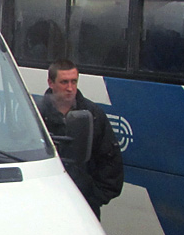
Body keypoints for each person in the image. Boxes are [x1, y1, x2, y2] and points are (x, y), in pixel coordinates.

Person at [38, 59, 123, 219]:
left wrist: (94, 197)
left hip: (84, 206)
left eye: (73, 82)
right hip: (47, 205)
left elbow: (111, 160)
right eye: (64, 82)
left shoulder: (94, 115)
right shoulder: (36, 114)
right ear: (51, 82)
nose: (70, 88)